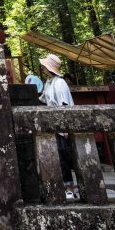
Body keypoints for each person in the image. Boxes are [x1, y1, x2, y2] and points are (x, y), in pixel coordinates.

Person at [39, 53, 77, 199]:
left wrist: (64, 127)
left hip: (60, 124)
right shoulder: (49, 82)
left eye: (44, 66)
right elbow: (43, 99)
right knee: (55, 156)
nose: (42, 68)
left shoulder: (60, 83)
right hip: (52, 123)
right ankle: (60, 186)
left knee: (63, 156)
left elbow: (64, 105)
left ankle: (70, 188)